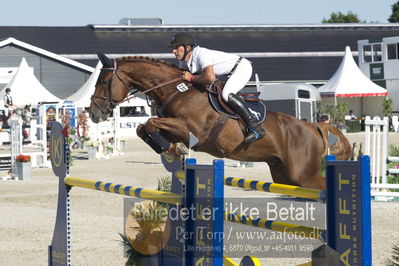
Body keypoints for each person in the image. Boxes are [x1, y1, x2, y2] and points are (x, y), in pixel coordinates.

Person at [169, 32, 265, 143]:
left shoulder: (201, 54)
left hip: (241, 68)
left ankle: (255, 127)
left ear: (188, 47)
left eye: (176, 47)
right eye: (173, 48)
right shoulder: (184, 63)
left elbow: (209, 77)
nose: (173, 51)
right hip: (225, 74)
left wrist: (191, 78)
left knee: (226, 94)